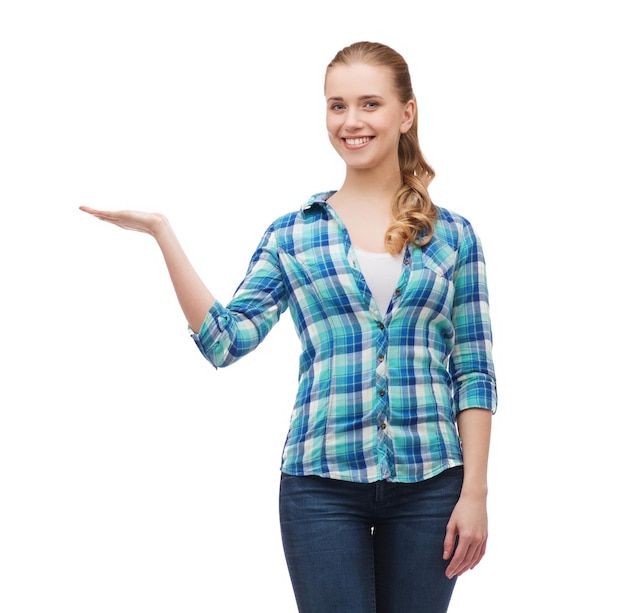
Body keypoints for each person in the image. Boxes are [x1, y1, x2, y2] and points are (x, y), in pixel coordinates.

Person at [80, 41, 497, 613]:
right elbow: (226, 342)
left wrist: (474, 492)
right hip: (320, 486)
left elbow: (473, 370)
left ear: (406, 113)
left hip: (431, 485)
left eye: (369, 104)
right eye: (336, 105)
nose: (351, 121)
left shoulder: (454, 236)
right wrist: (162, 234)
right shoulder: (294, 235)